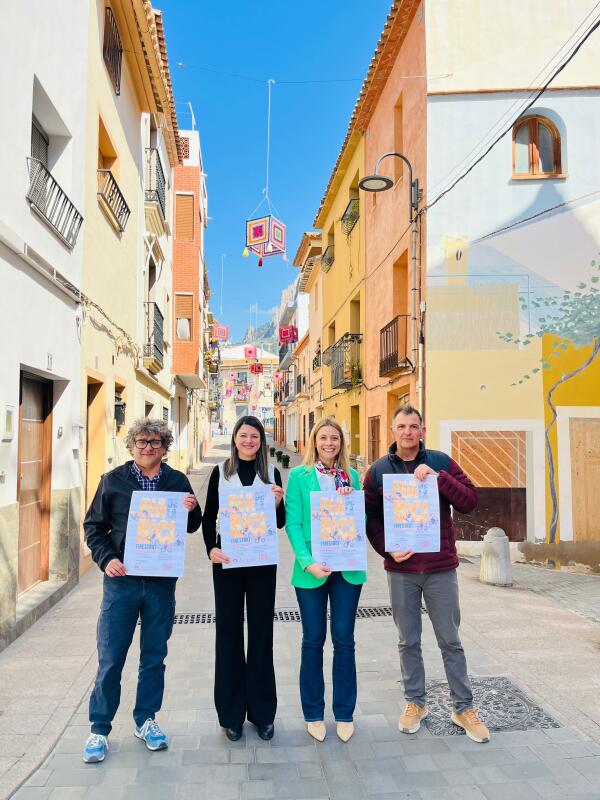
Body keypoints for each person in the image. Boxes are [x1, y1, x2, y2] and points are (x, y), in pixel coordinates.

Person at [364, 405, 490, 744]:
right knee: (408, 641)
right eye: (401, 426)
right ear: (393, 431)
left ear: (422, 431)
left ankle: (463, 708)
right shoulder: (378, 471)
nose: (407, 432)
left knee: (450, 641)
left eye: (413, 426)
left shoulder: (440, 461)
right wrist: (387, 548)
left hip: (440, 569)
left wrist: (440, 479)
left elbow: (469, 501)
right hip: (401, 570)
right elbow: (370, 517)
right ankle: (415, 703)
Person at [82, 418, 202, 763]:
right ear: (131, 445)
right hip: (122, 583)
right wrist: (107, 559)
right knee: (111, 658)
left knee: (153, 656)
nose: (148, 447)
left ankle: (146, 719)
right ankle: (99, 728)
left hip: (161, 584)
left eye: (155, 442)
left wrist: (192, 509)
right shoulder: (112, 481)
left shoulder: (176, 481)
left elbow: (192, 526)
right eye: (142, 442)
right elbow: (94, 527)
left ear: (165, 447)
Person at [202, 415, 285, 741]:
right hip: (228, 561)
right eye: (244, 435)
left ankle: (263, 713)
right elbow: (209, 517)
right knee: (229, 634)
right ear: (235, 439)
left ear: (261, 441)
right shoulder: (220, 472)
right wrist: (210, 548)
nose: (249, 441)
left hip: (262, 562)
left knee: (262, 634)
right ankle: (231, 714)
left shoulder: (272, 473)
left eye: (254, 436)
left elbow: (279, 522)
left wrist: (278, 502)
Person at [285, 417, 365, 743]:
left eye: (335, 438)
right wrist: (308, 564)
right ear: (314, 442)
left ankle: (344, 713)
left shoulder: (352, 476)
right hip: (312, 572)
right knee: (313, 640)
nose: (329, 443)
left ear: (341, 443)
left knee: (344, 640)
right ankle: (314, 713)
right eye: (323, 438)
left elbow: (359, 520)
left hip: (347, 570)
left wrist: (352, 501)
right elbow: (293, 524)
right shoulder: (298, 476)